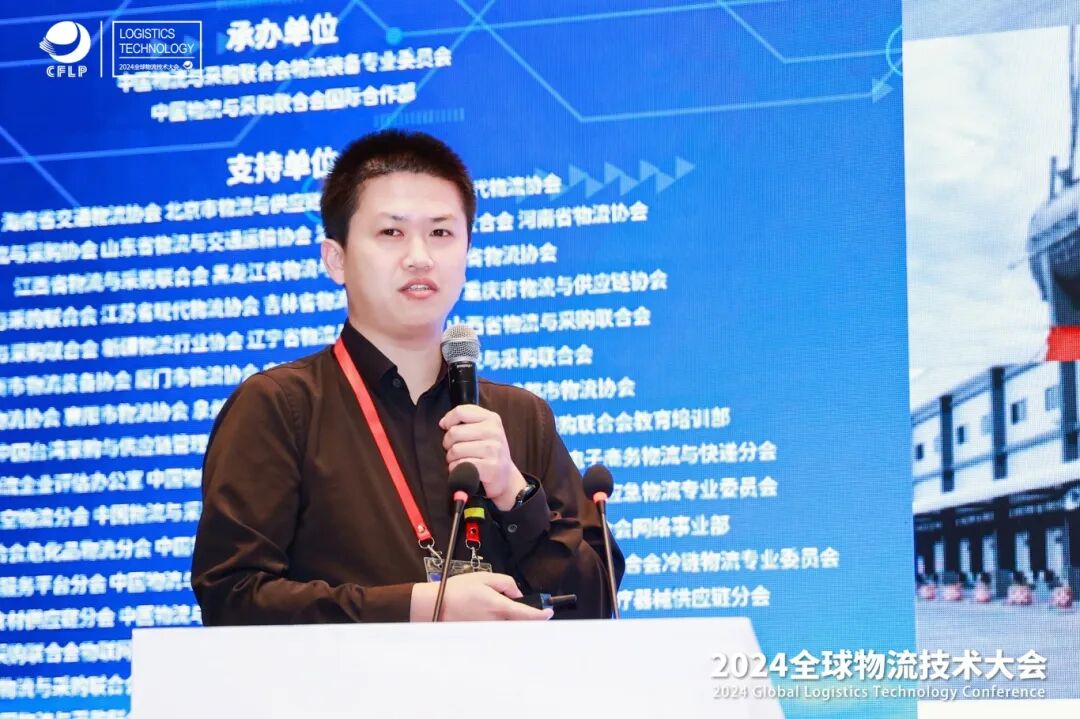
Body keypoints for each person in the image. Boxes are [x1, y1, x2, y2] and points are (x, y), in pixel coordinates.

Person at [191, 129, 624, 624]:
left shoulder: (521, 416)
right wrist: (420, 607)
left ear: (467, 253)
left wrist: (514, 494)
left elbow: (597, 605)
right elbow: (232, 597)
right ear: (336, 259)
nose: (420, 256)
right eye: (391, 233)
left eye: (441, 233)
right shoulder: (279, 407)